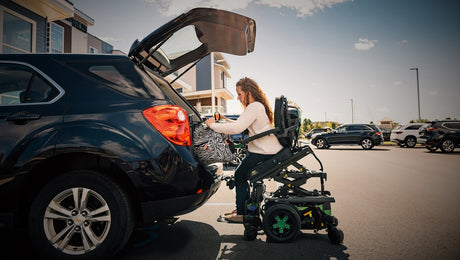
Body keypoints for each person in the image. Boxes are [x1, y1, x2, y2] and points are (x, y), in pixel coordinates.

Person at [205, 77, 283, 222]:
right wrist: (225, 119)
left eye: (240, 94)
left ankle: (242, 213)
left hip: (264, 152)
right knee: (241, 174)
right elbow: (241, 124)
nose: (238, 98)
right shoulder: (257, 106)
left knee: (240, 174)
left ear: (248, 92)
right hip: (264, 150)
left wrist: (212, 125)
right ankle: (244, 208)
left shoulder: (254, 106)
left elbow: (237, 128)